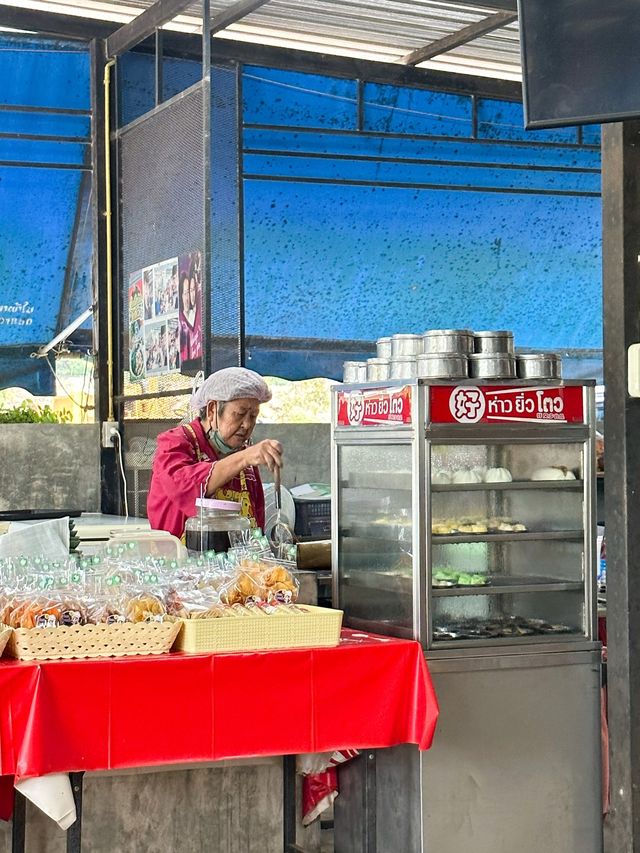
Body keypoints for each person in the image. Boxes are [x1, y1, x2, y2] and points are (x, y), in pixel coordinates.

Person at [147, 367, 281, 538]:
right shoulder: (174, 444)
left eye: (253, 416)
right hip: (178, 560)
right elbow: (185, 487)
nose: (247, 425)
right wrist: (244, 458)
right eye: (239, 414)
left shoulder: (246, 460)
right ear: (212, 410)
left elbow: (257, 522)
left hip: (236, 563)